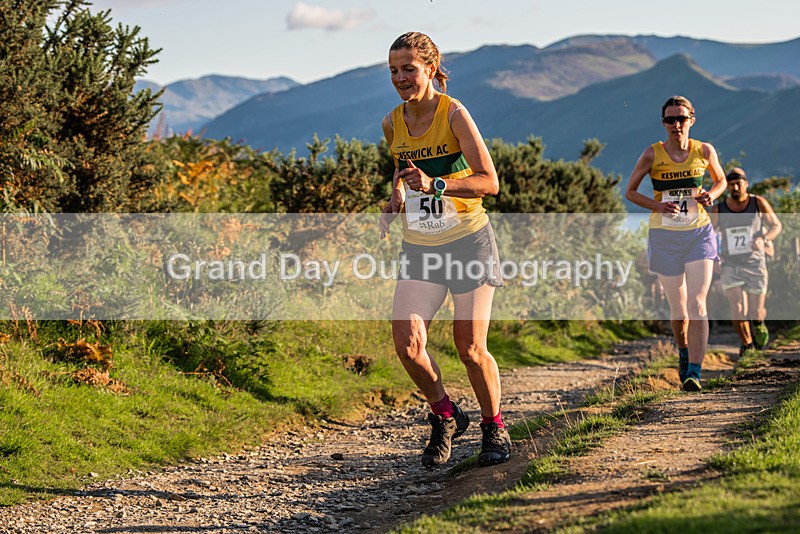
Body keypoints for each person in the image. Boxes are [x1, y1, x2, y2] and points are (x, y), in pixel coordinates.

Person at [378, 31, 510, 467]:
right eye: (393, 70)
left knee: (469, 346)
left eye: (408, 69)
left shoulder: (453, 113)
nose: (399, 77)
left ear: (430, 69)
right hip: (420, 245)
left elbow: (489, 181)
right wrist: (395, 195)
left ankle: (495, 426)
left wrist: (437, 184)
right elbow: (402, 168)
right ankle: (446, 415)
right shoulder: (391, 122)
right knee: (408, 343)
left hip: (469, 240)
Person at [625, 95, 727, 392]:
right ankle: (683, 350)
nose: (676, 125)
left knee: (697, 302)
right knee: (679, 310)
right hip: (666, 236)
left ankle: (694, 370)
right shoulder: (651, 154)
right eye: (670, 120)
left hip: (699, 234)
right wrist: (656, 206)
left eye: (681, 119)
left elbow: (719, 180)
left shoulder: (704, 151)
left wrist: (712, 195)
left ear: (691, 120)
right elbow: (631, 192)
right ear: (664, 123)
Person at [711, 167, 782, 355]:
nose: (736, 187)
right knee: (737, 306)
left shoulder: (758, 203)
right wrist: (715, 258)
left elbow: (776, 225)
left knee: (755, 311)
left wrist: (764, 239)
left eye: (739, 183)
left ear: (746, 184)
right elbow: (709, 235)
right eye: (732, 184)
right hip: (730, 264)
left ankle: (758, 325)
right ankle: (748, 345)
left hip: (754, 262)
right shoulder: (720, 209)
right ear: (727, 187)